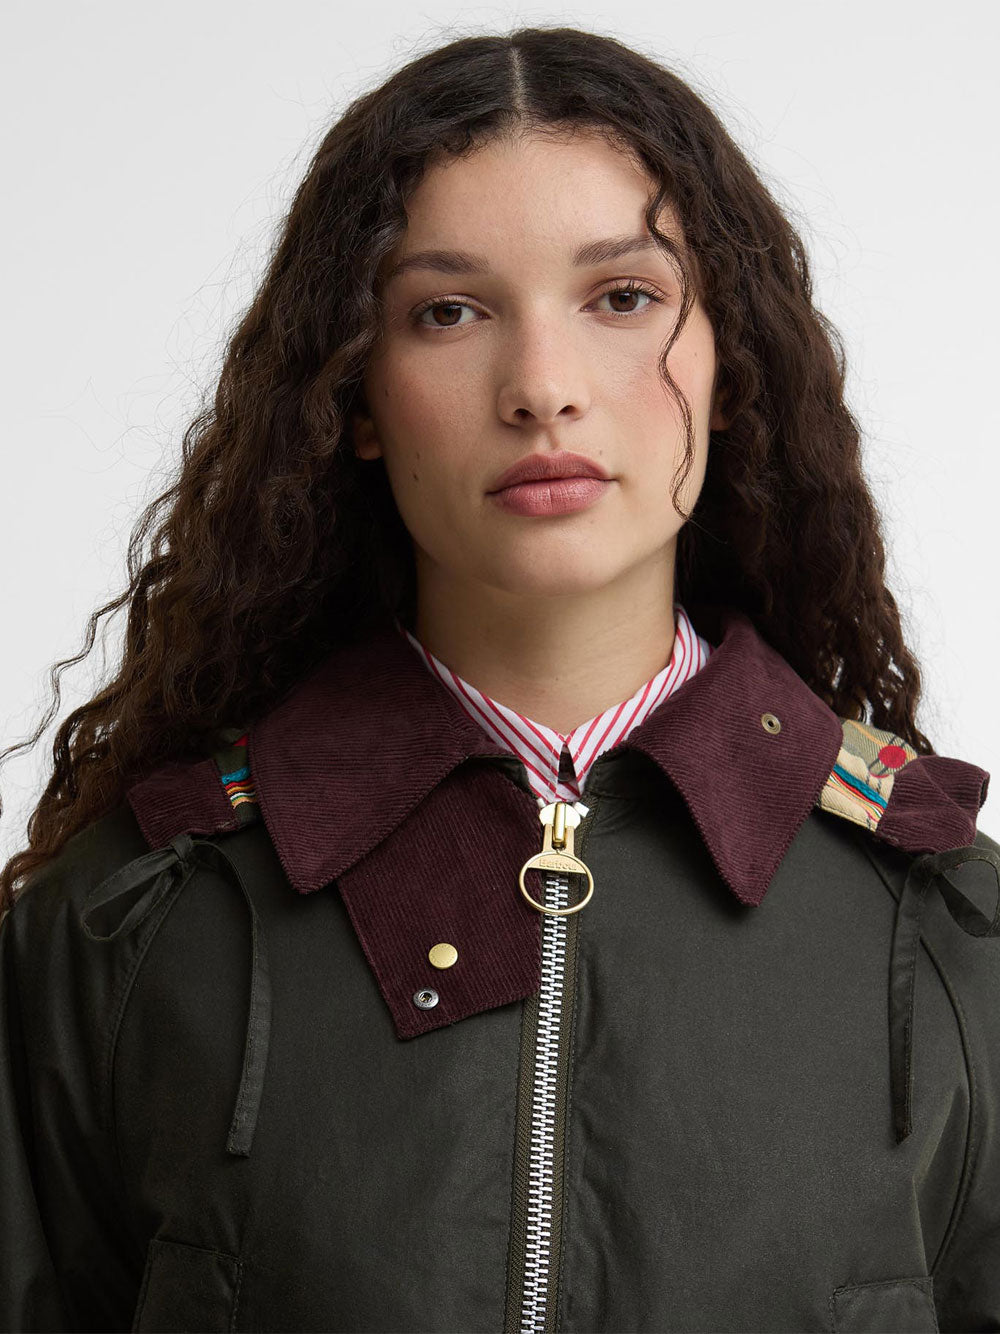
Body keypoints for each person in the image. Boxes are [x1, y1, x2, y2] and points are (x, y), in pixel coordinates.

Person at [1, 24, 997, 1334]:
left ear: (732, 367)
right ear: (357, 395)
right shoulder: (135, 919)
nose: (541, 388)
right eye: (449, 311)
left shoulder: (946, 926)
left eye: (622, 297)